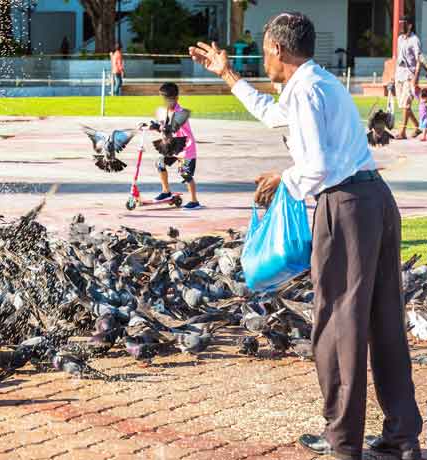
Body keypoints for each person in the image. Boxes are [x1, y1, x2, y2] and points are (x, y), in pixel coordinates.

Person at [191, 11, 422, 460]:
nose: (263, 58)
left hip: (346, 208)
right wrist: (229, 74)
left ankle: (342, 443)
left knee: (337, 328)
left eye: (262, 51)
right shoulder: (317, 83)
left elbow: (315, 166)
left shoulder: (308, 90)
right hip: (375, 202)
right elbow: (274, 116)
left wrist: (285, 179)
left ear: (277, 49)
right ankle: (402, 438)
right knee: (383, 323)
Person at [151, 82, 200, 210]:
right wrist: (151, 126)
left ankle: (194, 201)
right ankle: (166, 191)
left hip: (186, 148)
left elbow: (170, 128)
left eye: (170, 99)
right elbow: (163, 126)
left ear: (176, 98)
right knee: (160, 163)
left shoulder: (180, 112)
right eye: (165, 99)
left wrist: (160, 127)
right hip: (173, 147)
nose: (167, 102)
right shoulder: (166, 111)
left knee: (185, 173)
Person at [394, 16, 421, 139]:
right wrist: (393, 75)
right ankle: (417, 126)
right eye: (399, 23)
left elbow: (419, 60)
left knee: (406, 103)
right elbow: (399, 58)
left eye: (403, 23)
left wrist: (415, 78)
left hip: (410, 75)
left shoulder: (415, 40)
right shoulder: (400, 39)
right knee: (402, 104)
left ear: (410, 25)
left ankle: (402, 132)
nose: (401, 26)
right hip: (399, 74)